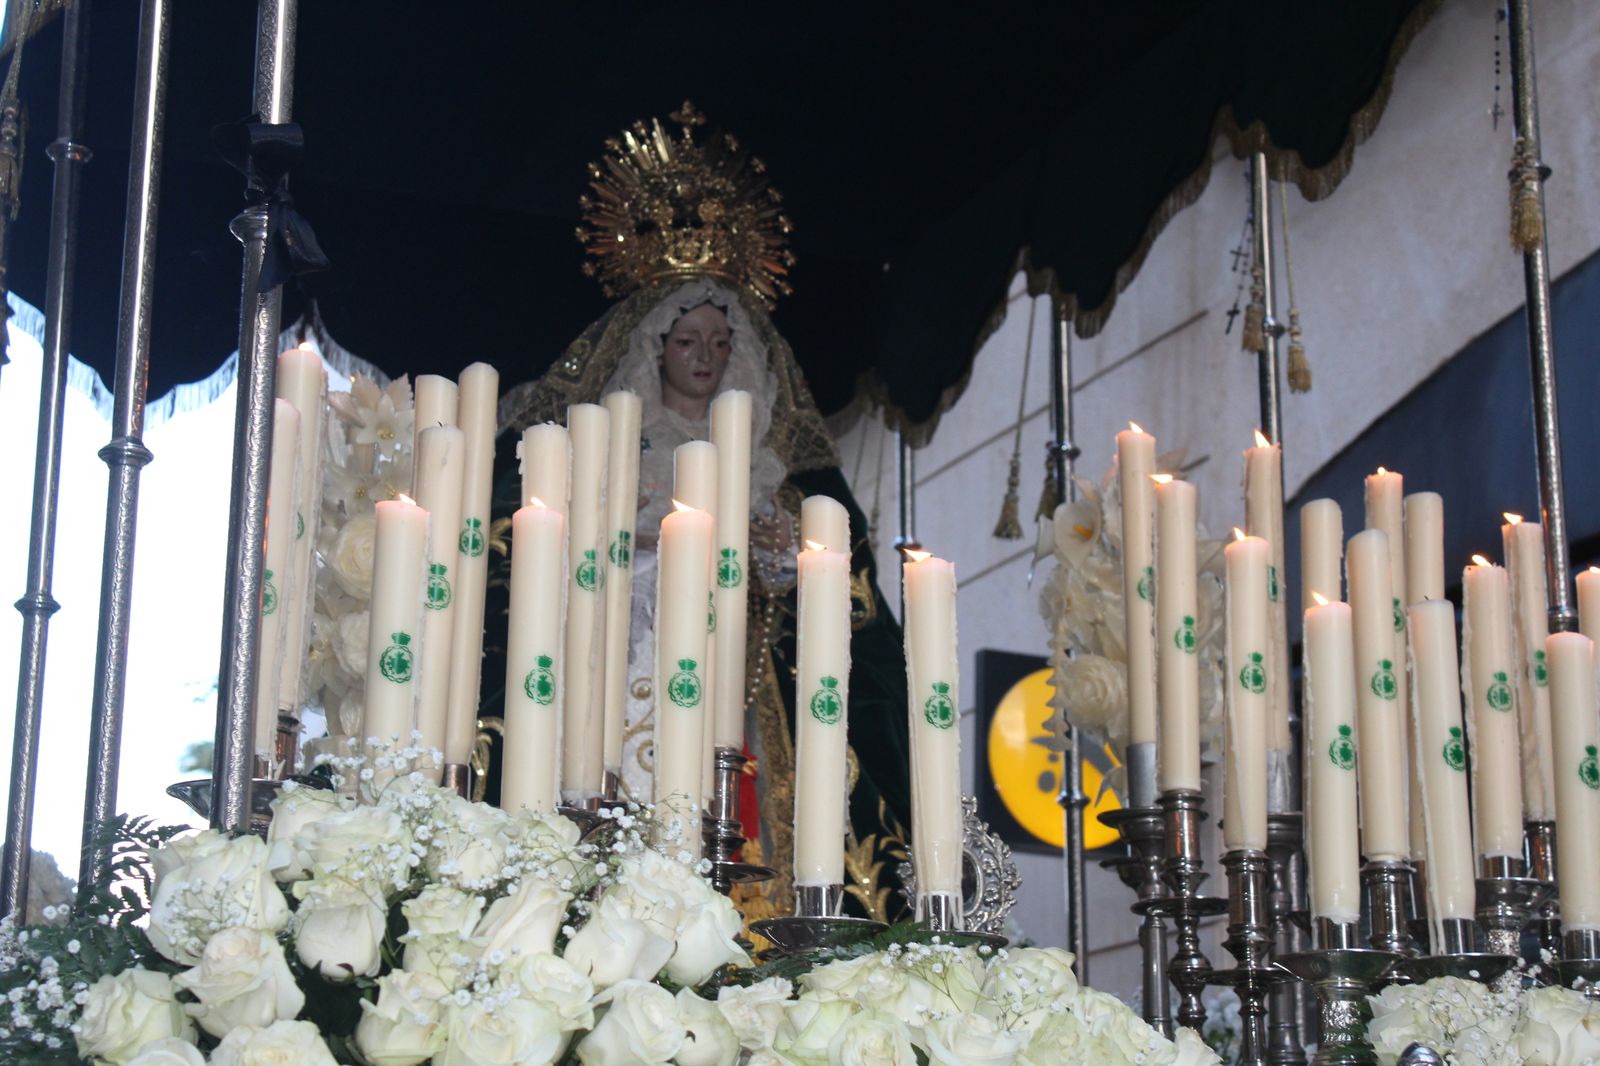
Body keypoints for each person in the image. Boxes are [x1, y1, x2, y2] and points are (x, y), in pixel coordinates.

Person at [485, 105, 912, 920]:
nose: (707, 358)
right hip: (620, 669)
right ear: (655, 347)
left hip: (733, 688)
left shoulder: (767, 465)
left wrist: (783, 554)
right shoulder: (606, 449)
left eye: (722, 344)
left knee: (734, 818)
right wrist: (642, 539)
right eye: (691, 343)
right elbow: (538, 550)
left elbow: (830, 589)